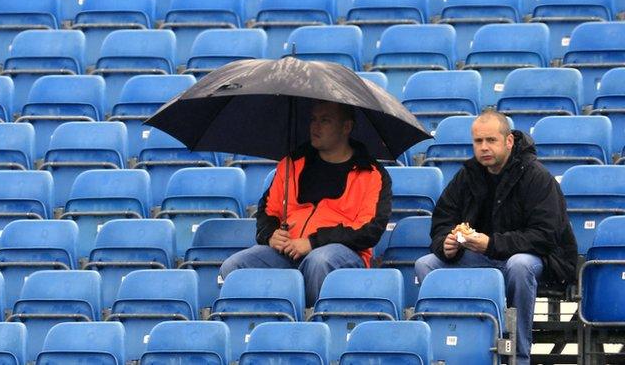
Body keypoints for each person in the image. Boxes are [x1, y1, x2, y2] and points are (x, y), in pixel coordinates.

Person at [415, 110, 578, 365]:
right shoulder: (468, 175)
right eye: (478, 142)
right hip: (485, 257)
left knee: (520, 265)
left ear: (509, 141)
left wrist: (491, 244)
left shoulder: (536, 176)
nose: (484, 147)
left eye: (491, 140)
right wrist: (446, 244)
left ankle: (519, 356)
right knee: (427, 264)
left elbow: (545, 236)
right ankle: (452, 349)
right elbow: (443, 218)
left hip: (541, 261)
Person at [219, 99, 393, 304]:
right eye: (313, 119)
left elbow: (369, 230)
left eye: (325, 120)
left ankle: (313, 328)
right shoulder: (292, 164)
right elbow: (268, 211)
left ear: (346, 127)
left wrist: (313, 242)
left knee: (319, 261)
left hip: (342, 254)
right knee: (234, 266)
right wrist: (270, 235)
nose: (315, 126)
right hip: (288, 252)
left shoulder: (371, 174)